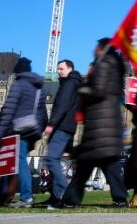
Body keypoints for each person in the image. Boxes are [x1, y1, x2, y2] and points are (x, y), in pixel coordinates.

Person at [60, 38, 128, 208]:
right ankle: (120, 199)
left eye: (96, 47)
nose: (94, 50)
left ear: (102, 48)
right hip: (108, 124)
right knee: (109, 165)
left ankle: (70, 200)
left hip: (99, 124)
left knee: (84, 166)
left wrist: (81, 88)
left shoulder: (104, 64)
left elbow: (98, 89)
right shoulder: (115, 67)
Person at [0, 57, 48, 208]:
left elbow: (8, 110)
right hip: (33, 130)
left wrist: (0, 133)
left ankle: (26, 197)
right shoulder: (40, 87)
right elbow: (43, 114)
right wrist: (40, 130)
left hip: (19, 128)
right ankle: (0, 195)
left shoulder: (18, 85)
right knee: (16, 161)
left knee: (17, 161)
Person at [42, 59, 84, 207]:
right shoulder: (73, 82)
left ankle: (67, 195)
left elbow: (62, 104)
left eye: (61, 69)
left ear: (70, 69)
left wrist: (51, 124)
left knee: (52, 159)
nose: (58, 71)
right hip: (67, 126)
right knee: (53, 161)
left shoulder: (70, 83)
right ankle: (55, 197)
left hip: (62, 126)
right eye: (58, 69)